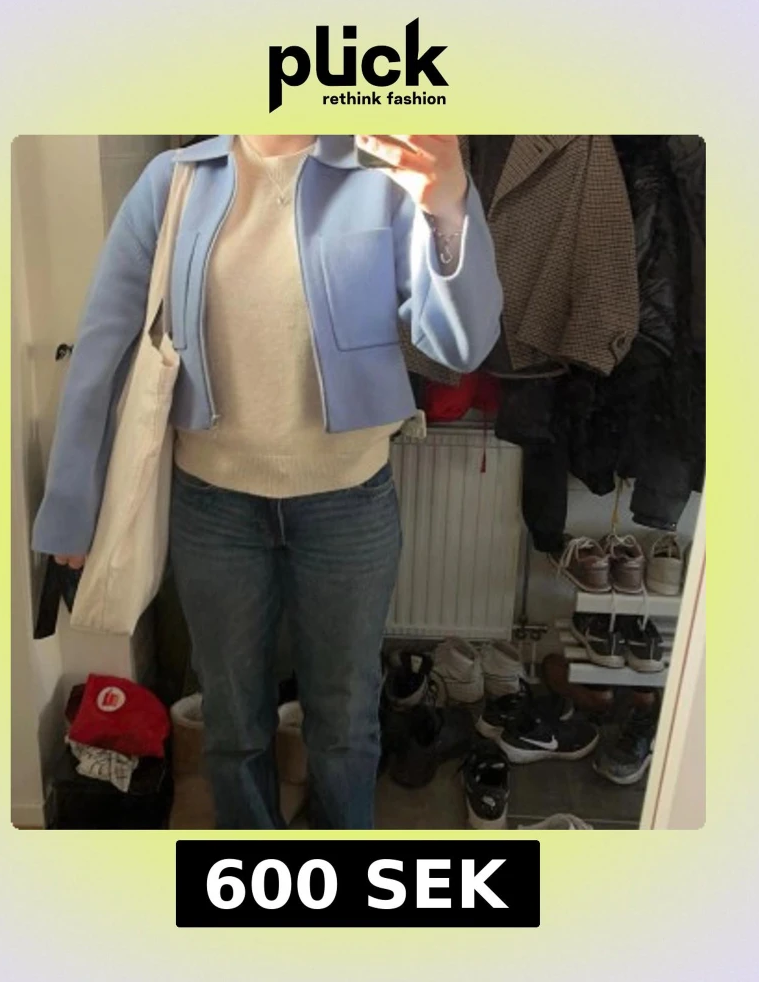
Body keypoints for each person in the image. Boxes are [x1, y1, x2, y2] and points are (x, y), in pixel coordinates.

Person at [32, 134, 503, 828]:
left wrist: (451, 203)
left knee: (345, 723)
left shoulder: (383, 177)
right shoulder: (174, 182)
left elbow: (461, 344)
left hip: (348, 504)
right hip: (214, 508)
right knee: (231, 724)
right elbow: (105, 343)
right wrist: (72, 506)